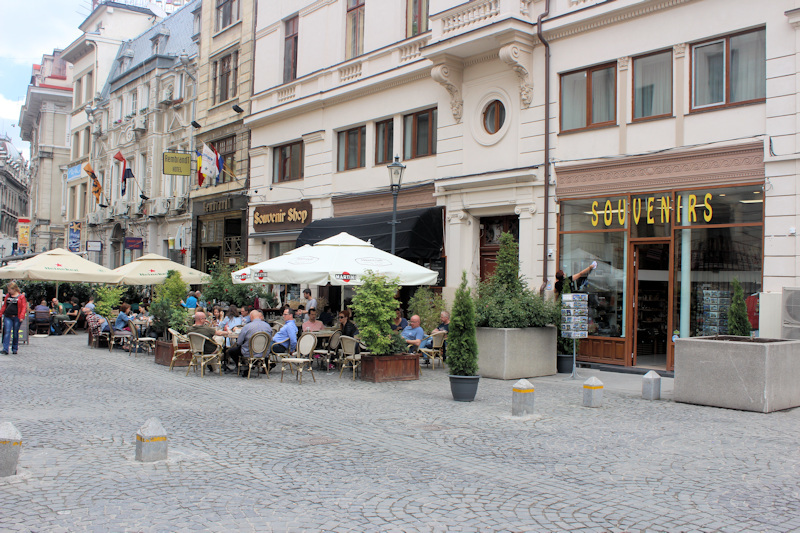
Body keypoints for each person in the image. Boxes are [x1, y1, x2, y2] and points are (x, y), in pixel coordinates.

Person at [226, 310, 273, 375]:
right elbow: (270, 338)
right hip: (264, 352)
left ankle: (240, 367)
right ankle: (255, 364)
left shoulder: (247, 327)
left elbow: (239, 342)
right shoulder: (268, 326)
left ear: (251, 317)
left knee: (232, 351)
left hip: (249, 352)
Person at [0, 282, 27, 355]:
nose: (9, 291)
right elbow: (4, 306)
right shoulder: (7, 296)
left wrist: (21, 316)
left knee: (15, 333)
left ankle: (14, 348)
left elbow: (24, 307)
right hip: (8, 316)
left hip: (16, 317)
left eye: (10, 289)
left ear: (14, 289)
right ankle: (5, 349)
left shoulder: (21, 297)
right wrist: (1, 313)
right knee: (7, 332)